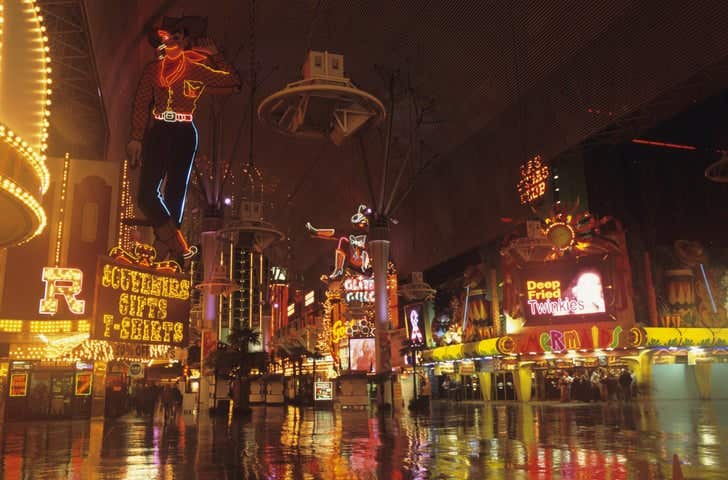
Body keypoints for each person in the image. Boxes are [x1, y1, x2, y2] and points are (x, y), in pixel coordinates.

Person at [127, 16, 241, 262]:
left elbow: (232, 81)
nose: (171, 40)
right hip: (158, 130)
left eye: (177, 36)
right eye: (167, 36)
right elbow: (140, 104)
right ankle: (178, 246)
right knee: (146, 195)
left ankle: (163, 252)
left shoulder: (195, 69)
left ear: (186, 41)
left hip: (184, 132)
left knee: (175, 193)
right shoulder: (152, 70)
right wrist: (136, 137)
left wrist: (216, 54)